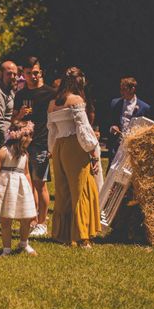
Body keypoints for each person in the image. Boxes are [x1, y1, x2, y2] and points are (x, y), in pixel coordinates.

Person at [47, 67, 102, 247]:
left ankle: (61, 234)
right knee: (81, 188)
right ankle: (81, 236)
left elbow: (52, 130)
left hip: (59, 147)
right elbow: (83, 127)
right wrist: (93, 149)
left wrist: (52, 149)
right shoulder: (76, 100)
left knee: (63, 191)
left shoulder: (53, 102)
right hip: (74, 145)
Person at [13, 56, 56, 237]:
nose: (33, 76)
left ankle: (42, 222)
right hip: (23, 145)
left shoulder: (50, 93)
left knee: (40, 184)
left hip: (41, 143)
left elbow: (55, 121)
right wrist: (21, 116)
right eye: (29, 73)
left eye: (36, 73)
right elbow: (14, 121)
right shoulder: (21, 95)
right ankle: (31, 220)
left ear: (41, 72)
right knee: (26, 185)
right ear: (24, 74)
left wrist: (51, 146)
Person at [0, 120, 38, 256]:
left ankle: (24, 242)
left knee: (26, 217)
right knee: (6, 219)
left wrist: (30, 189)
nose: (30, 139)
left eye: (30, 135)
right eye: (27, 135)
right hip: (6, 186)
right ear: (18, 136)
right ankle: (6, 249)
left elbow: (26, 173)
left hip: (21, 186)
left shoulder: (25, 154)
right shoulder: (4, 151)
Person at [107, 77, 151, 167]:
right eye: (120, 89)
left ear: (132, 89)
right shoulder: (115, 103)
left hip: (133, 146)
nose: (121, 92)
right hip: (116, 145)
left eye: (124, 89)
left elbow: (147, 128)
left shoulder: (144, 108)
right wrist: (112, 127)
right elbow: (108, 122)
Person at [0, 60, 19, 161]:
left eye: (15, 74)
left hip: (7, 138)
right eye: (9, 74)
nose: (13, 76)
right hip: (1, 141)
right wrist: (4, 143)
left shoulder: (9, 89)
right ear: (0, 74)